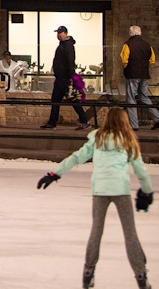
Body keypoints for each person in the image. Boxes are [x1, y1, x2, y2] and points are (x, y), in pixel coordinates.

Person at [37, 107, 154, 289]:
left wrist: (55, 173)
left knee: (96, 232)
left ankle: (88, 273)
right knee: (130, 234)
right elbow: (141, 169)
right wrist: (147, 191)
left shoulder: (97, 138)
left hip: (100, 190)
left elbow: (76, 158)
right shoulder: (127, 140)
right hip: (120, 190)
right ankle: (141, 276)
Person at [41, 25, 88, 130]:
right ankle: (52, 122)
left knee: (72, 99)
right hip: (60, 78)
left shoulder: (68, 46)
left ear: (65, 33)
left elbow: (70, 61)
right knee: (55, 100)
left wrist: (70, 76)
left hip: (65, 78)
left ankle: (84, 120)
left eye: (60, 33)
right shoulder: (62, 45)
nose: (58, 35)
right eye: (57, 33)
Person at [120, 26, 159, 131]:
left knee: (131, 99)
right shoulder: (147, 45)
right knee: (144, 97)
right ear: (140, 33)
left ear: (130, 33)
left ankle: (134, 125)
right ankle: (157, 118)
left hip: (132, 75)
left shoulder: (127, 44)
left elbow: (124, 60)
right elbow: (152, 60)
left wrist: (127, 68)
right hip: (144, 75)